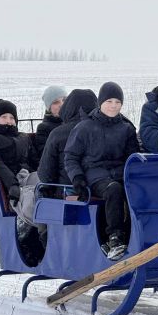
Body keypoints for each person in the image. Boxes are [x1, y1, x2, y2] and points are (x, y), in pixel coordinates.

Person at [64, 82, 139, 261]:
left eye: (117, 102)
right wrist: (78, 179)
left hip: (121, 173)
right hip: (95, 174)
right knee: (114, 189)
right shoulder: (85, 127)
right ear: (100, 103)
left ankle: (136, 235)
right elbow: (71, 156)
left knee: (134, 191)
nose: (113, 105)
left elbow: (133, 156)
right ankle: (115, 237)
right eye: (109, 101)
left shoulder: (126, 127)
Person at [0, 99, 43, 261]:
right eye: (4, 117)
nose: (9, 121)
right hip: (8, 181)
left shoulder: (22, 137)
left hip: (26, 175)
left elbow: (35, 160)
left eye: (12, 118)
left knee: (45, 183)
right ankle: (30, 229)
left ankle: (51, 227)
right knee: (30, 195)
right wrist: (12, 184)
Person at [38, 89, 98, 197]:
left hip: (69, 193)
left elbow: (45, 176)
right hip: (102, 190)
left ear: (70, 106)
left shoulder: (58, 133)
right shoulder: (108, 129)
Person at [34, 85, 68, 157]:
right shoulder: (43, 128)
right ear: (49, 108)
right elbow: (45, 155)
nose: (61, 104)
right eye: (56, 102)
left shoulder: (75, 121)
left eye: (64, 100)